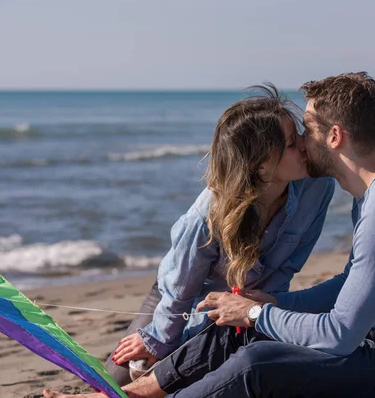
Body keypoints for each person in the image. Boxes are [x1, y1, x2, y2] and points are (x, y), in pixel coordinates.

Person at [45, 71, 375, 398]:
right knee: (248, 328)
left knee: (256, 361)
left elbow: (340, 335)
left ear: (336, 136)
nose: (304, 141)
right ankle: (135, 392)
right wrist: (271, 306)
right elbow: (353, 284)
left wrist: (254, 314)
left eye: (307, 129)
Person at [42, 84, 334, 398]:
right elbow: (181, 289)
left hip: (245, 299)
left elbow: (285, 272)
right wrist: (157, 340)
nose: (305, 146)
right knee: (120, 377)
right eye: (292, 143)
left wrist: (257, 315)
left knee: (203, 372)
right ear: (261, 164)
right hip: (178, 295)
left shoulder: (317, 189)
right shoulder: (208, 213)